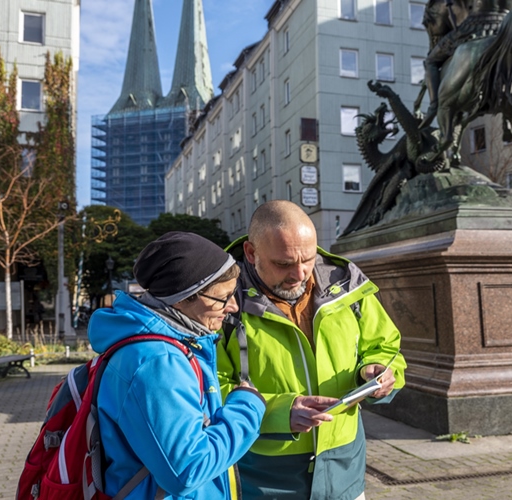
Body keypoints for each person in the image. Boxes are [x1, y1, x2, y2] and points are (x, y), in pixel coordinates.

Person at [217, 201, 406, 499]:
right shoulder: (220, 303)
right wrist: (279, 413)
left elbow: (385, 346)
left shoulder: (347, 284)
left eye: (308, 258)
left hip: (345, 473)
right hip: (263, 479)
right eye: (284, 264)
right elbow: (208, 389)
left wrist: (376, 371)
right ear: (251, 254)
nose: (300, 273)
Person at [87, 231, 266, 499]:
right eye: (223, 297)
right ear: (182, 297)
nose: (233, 306)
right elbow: (188, 470)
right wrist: (247, 407)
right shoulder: (157, 362)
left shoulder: (169, 346)